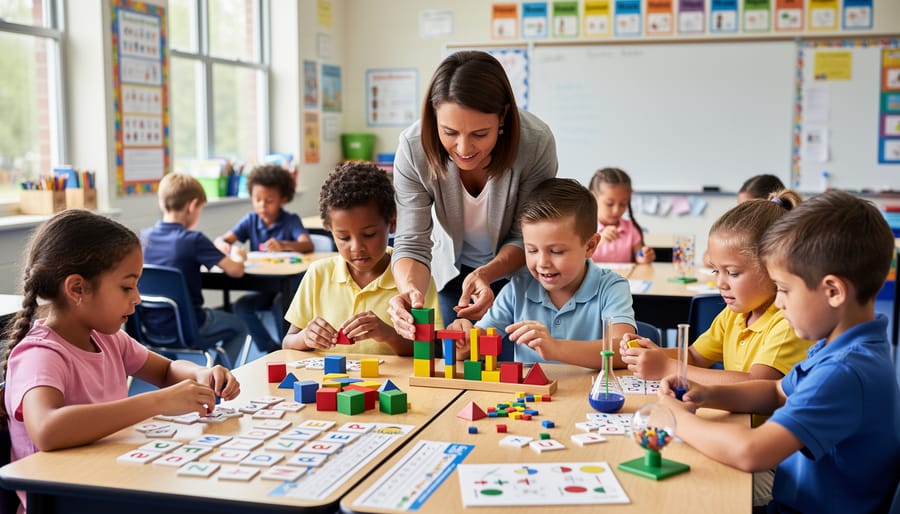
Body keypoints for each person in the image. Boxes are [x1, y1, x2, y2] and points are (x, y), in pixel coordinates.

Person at [656, 190, 900, 513]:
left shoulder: (844, 372)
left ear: (833, 291)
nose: (779, 302)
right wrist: (705, 394)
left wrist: (676, 421)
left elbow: (751, 452)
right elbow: (774, 392)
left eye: (784, 289)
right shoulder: (843, 348)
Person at [1, 210, 240, 510]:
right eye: (127, 286)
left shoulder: (107, 337)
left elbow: (166, 369)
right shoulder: (40, 354)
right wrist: (157, 403)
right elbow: (48, 429)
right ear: (77, 289)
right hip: (63, 501)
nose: (137, 298)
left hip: (109, 482)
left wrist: (200, 373)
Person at [387, 50, 558, 340]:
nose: (464, 148)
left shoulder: (535, 143)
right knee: (461, 359)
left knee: (514, 362)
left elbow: (526, 236)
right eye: (449, 132)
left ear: (503, 115)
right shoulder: (414, 148)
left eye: (480, 134)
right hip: (452, 274)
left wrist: (488, 274)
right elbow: (412, 242)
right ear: (433, 116)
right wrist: (410, 291)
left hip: (518, 273)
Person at [620, 190, 813, 389]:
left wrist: (669, 368)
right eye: (715, 270)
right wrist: (652, 354)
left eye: (733, 273)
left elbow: (757, 383)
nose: (720, 283)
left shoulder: (788, 322)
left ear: (774, 268)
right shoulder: (734, 315)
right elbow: (694, 356)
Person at [449, 178, 634, 369]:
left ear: (590, 246)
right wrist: (462, 341)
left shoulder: (611, 287)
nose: (542, 263)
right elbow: (471, 351)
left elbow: (623, 351)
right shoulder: (516, 290)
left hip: (589, 397)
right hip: (529, 398)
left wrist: (556, 348)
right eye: (532, 250)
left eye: (556, 251)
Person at [282, 162, 443, 356]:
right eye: (343, 237)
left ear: (392, 223)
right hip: (329, 382)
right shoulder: (318, 274)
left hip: (393, 385)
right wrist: (306, 337)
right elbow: (287, 343)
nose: (357, 247)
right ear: (329, 230)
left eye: (369, 234)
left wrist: (388, 335)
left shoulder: (415, 278)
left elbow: (434, 350)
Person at [142, 173, 248, 365]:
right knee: (240, 326)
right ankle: (216, 378)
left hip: (149, 327)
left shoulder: (143, 239)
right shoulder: (193, 240)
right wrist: (238, 257)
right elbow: (236, 271)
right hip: (190, 327)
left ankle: (171, 377)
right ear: (192, 206)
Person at [214, 165, 314, 353]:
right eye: (257, 200)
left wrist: (284, 245)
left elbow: (308, 245)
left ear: (283, 199)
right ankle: (271, 348)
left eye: (269, 200)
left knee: (280, 304)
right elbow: (224, 239)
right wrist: (226, 245)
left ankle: (288, 346)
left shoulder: (290, 220)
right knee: (242, 306)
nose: (262, 205)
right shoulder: (251, 220)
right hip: (262, 287)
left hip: (287, 287)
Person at [588, 167, 655, 264]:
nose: (616, 211)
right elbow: (576, 261)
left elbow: (639, 257)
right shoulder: (582, 228)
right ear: (594, 197)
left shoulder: (630, 228)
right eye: (609, 204)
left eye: (623, 204)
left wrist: (644, 257)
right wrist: (598, 242)